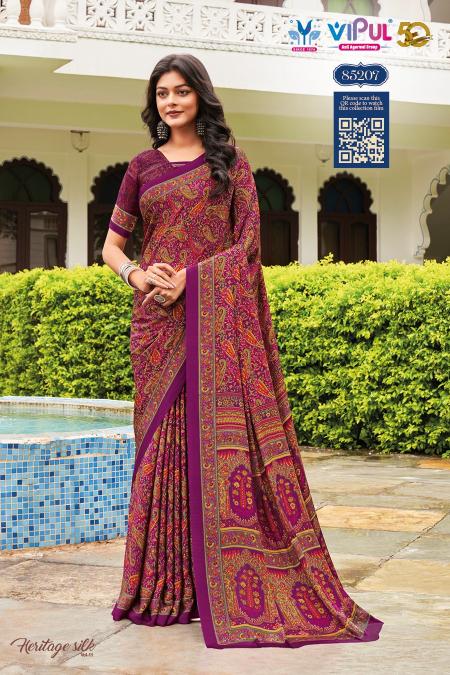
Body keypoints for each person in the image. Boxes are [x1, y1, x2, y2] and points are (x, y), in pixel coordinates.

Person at [102, 53, 384, 649]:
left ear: (200, 96)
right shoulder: (142, 168)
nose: (171, 102)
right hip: (155, 323)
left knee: (212, 447)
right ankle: (161, 586)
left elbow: (249, 247)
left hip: (213, 322)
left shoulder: (230, 163)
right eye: (162, 94)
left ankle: (213, 586)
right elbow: (112, 246)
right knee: (159, 451)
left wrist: (192, 280)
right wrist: (137, 276)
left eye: (181, 91)